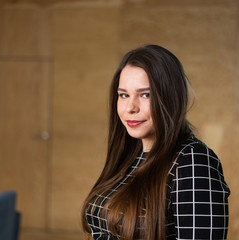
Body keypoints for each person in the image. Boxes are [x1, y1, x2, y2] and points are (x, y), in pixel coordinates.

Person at [81, 44, 230, 240]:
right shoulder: (129, 156)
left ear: (170, 98)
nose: (130, 108)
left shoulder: (193, 161)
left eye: (145, 95)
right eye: (124, 95)